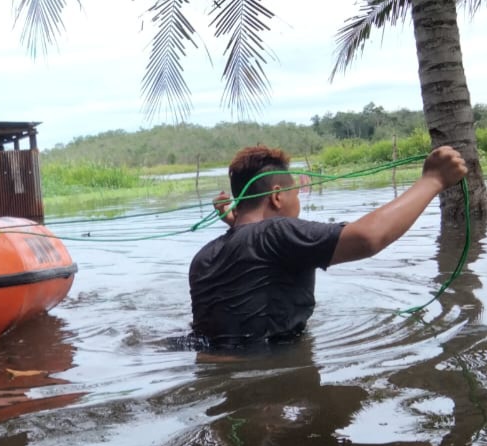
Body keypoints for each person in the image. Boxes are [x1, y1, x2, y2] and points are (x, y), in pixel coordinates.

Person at [189, 143, 467, 346]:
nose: (298, 203)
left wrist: (236, 224)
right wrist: (433, 180)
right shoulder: (278, 233)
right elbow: (368, 238)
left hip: (213, 367)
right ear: (277, 197)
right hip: (268, 377)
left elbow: (249, 267)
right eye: (295, 194)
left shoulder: (203, 257)